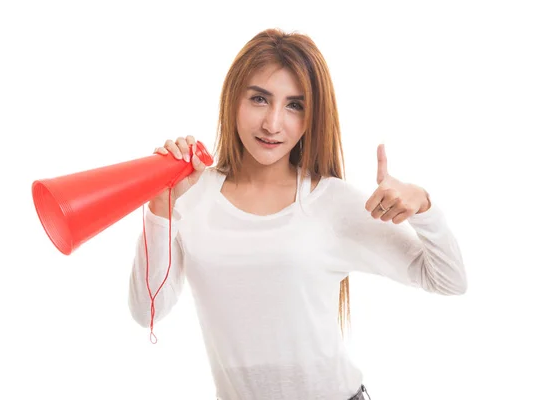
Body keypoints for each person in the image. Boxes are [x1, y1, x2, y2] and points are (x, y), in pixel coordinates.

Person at [127, 28, 467, 400]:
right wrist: (161, 206)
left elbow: (448, 279)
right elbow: (147, 311)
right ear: (233, 99)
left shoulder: (330, 202)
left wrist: (422, 205)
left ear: (311, 117)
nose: (273, 124)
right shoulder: (190, 196)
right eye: (259, 99)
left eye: (294, 105)